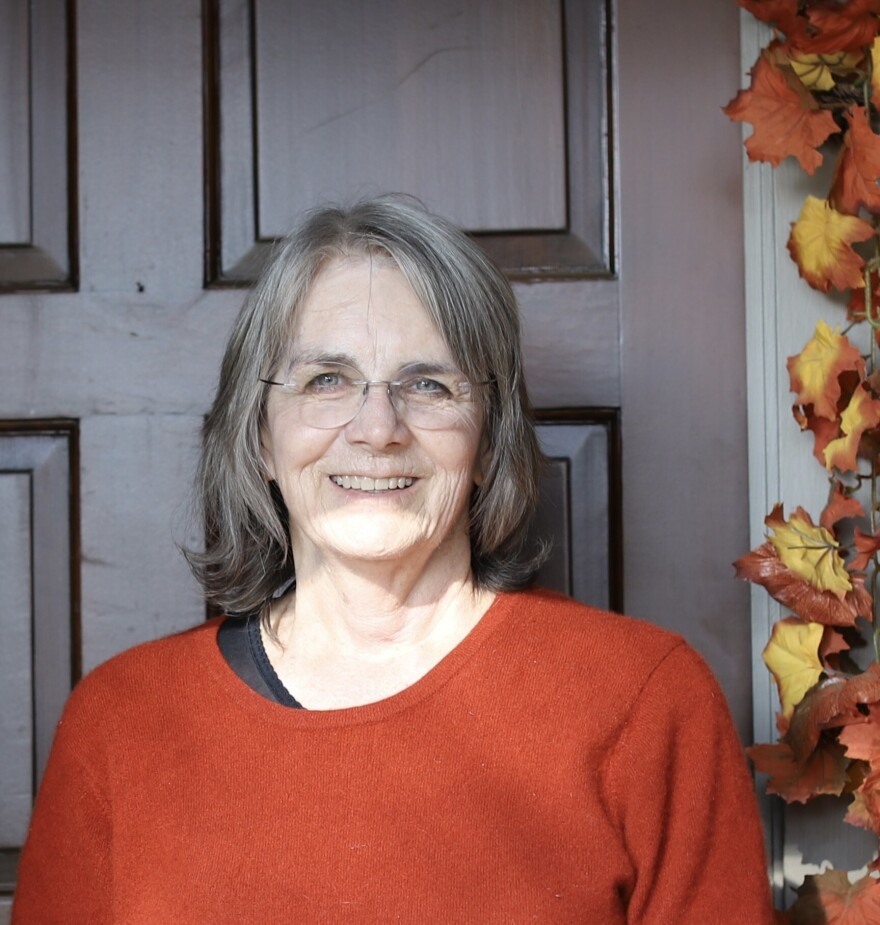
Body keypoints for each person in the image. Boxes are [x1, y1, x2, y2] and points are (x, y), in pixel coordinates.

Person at [12, 196, 773, 923]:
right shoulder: (122, 723)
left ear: (487, 439)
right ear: (257, 436)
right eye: (327, 380)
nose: (378, 428)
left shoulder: (642, 703)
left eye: (428, 384)